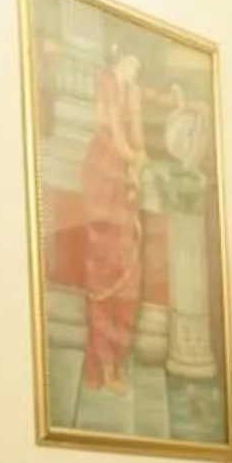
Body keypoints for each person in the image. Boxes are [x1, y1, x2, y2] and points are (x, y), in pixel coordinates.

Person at [77, 51, 150, 394]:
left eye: (138, 66)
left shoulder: (132, 90)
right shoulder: (105, 80)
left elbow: (136, 132)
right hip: (103, 173)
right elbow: (115, 132)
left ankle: (117, 362)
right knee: (103, 267)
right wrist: (131, 158)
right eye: (133, 63)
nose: (136, 70)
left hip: (124, 176)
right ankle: (105, 365)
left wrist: (140, 159)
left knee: (128, 273)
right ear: (121, 60)